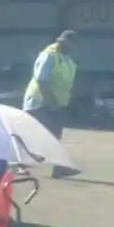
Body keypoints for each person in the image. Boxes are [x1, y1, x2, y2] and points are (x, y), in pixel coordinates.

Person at [24, 30, 79, 176]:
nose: (65, 46)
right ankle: (57, 167)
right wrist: (50, 101)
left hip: (54, 103)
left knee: (51, 135)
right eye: (63, 42)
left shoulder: (67, 60)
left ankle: (58, 167)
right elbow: (41, 80)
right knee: (46, 134)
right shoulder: (50, 55)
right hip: (40, 101)